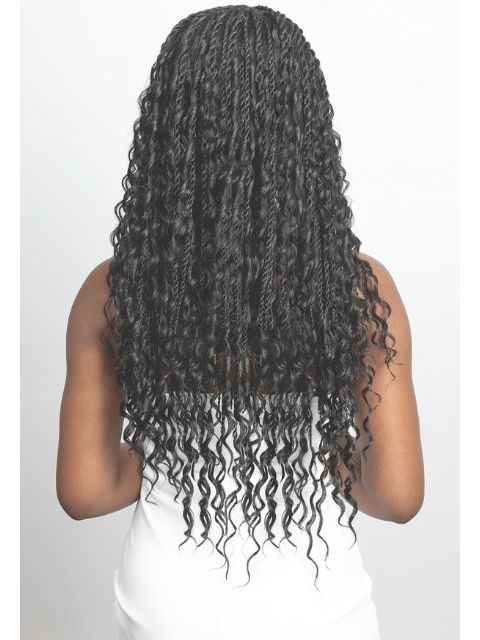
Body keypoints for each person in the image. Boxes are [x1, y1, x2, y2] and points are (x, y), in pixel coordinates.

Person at [56, 5, 424, 639]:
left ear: (170, 131)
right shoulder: (361, 291)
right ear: (304, 132)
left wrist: (176, 455)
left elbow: (85, 492)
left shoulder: (113, 292)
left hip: (165, 608)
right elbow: (397, 495)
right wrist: (320, 459)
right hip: (315, 609)